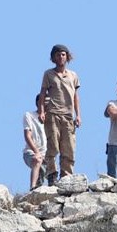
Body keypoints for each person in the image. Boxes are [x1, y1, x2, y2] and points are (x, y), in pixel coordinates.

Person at [39, 43, 81, 184]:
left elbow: (75, 96)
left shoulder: (73, 75)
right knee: (53, 147)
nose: (61, 57)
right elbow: (43, 93)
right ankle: (52, 175)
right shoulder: (48, 74)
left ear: (67, 57)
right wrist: (42, 111)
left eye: (63, 54)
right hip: (53, 113)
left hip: (68, 115)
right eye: (58, 55)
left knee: (69, 148)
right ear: (53, 58)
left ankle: (66, 177)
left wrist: (78, 115)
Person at [22, 93, 47, 189]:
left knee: (51, 172)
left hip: (46, 154)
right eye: (44, 102)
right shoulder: (29, 116)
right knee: (37, 160)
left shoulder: (51, 119)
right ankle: (32, 187)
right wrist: (36, 152)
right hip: (31, 152)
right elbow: (27, 135)